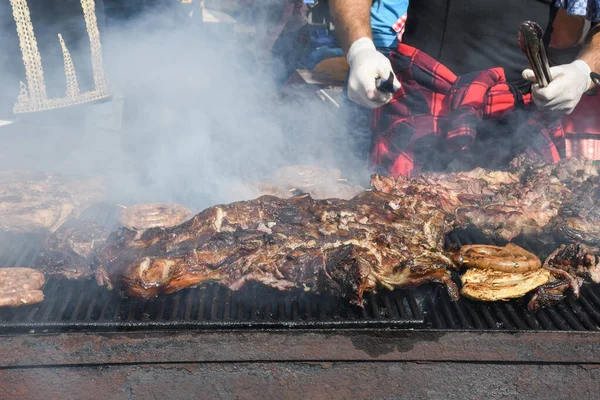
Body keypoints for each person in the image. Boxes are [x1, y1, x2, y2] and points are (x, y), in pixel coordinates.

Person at [330, 0, 565, 176]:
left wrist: (585, 71)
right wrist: (360, 48)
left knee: (538, 232)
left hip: (522, 111)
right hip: (425, 101)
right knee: (387, 226)